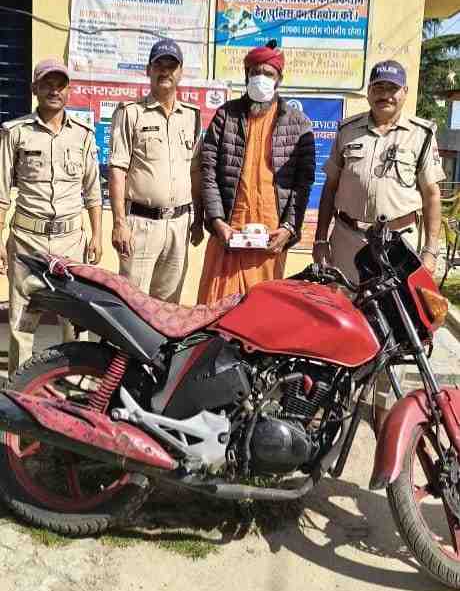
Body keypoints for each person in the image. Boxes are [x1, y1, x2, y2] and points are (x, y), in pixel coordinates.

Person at [312, 59, 445, 432]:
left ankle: (384, 411)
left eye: (392, 88)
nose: (385, 94)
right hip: (347, 241)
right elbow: (330, 189)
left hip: (397, 249)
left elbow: (432, 196)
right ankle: (333, 402)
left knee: (395, 330)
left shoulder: (421, 135)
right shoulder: (348, 130)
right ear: (369, 91)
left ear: (404, 92)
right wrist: (320, 238)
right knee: (341, 323)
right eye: (379, 87)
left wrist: (430, 252)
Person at [0, 59, 102, 375]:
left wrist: (97, 235)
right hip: (27, 240)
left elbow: (92, 191)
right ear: (35, 89)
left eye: (60, 85)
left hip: (70, 241)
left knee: (75, 321)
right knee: (22, 323)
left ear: (68, 91)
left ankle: (74, 387)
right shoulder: (15, 132)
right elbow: (1, 193)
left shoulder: (82, 135)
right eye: (47, 84)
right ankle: (18, 390)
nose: (54, 91)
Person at [198, 41, 315, 304]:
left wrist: (289, 229)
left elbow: (303, 183)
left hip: (270, 238)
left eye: (268, 74)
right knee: (216, 309)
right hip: (228, 233)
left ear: (279, 79)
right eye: (255, 72)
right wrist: (217, 221)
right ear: (246, 75)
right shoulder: (225, 116)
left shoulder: (298, 123)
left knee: (262, 310)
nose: (261, 78)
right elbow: (208, 172)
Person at [109, 38, 204, 301]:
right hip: (141, 226)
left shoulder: (192, 116)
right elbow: (117, 171)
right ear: (148, 70)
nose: (165, 71)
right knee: (133, 303)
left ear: (181, 72)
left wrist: (198, 219)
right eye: (159, 65)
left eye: (171, 66)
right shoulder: (131, 113)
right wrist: (119, 223)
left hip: (179, 225)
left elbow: (195, 171)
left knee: (168, 307)